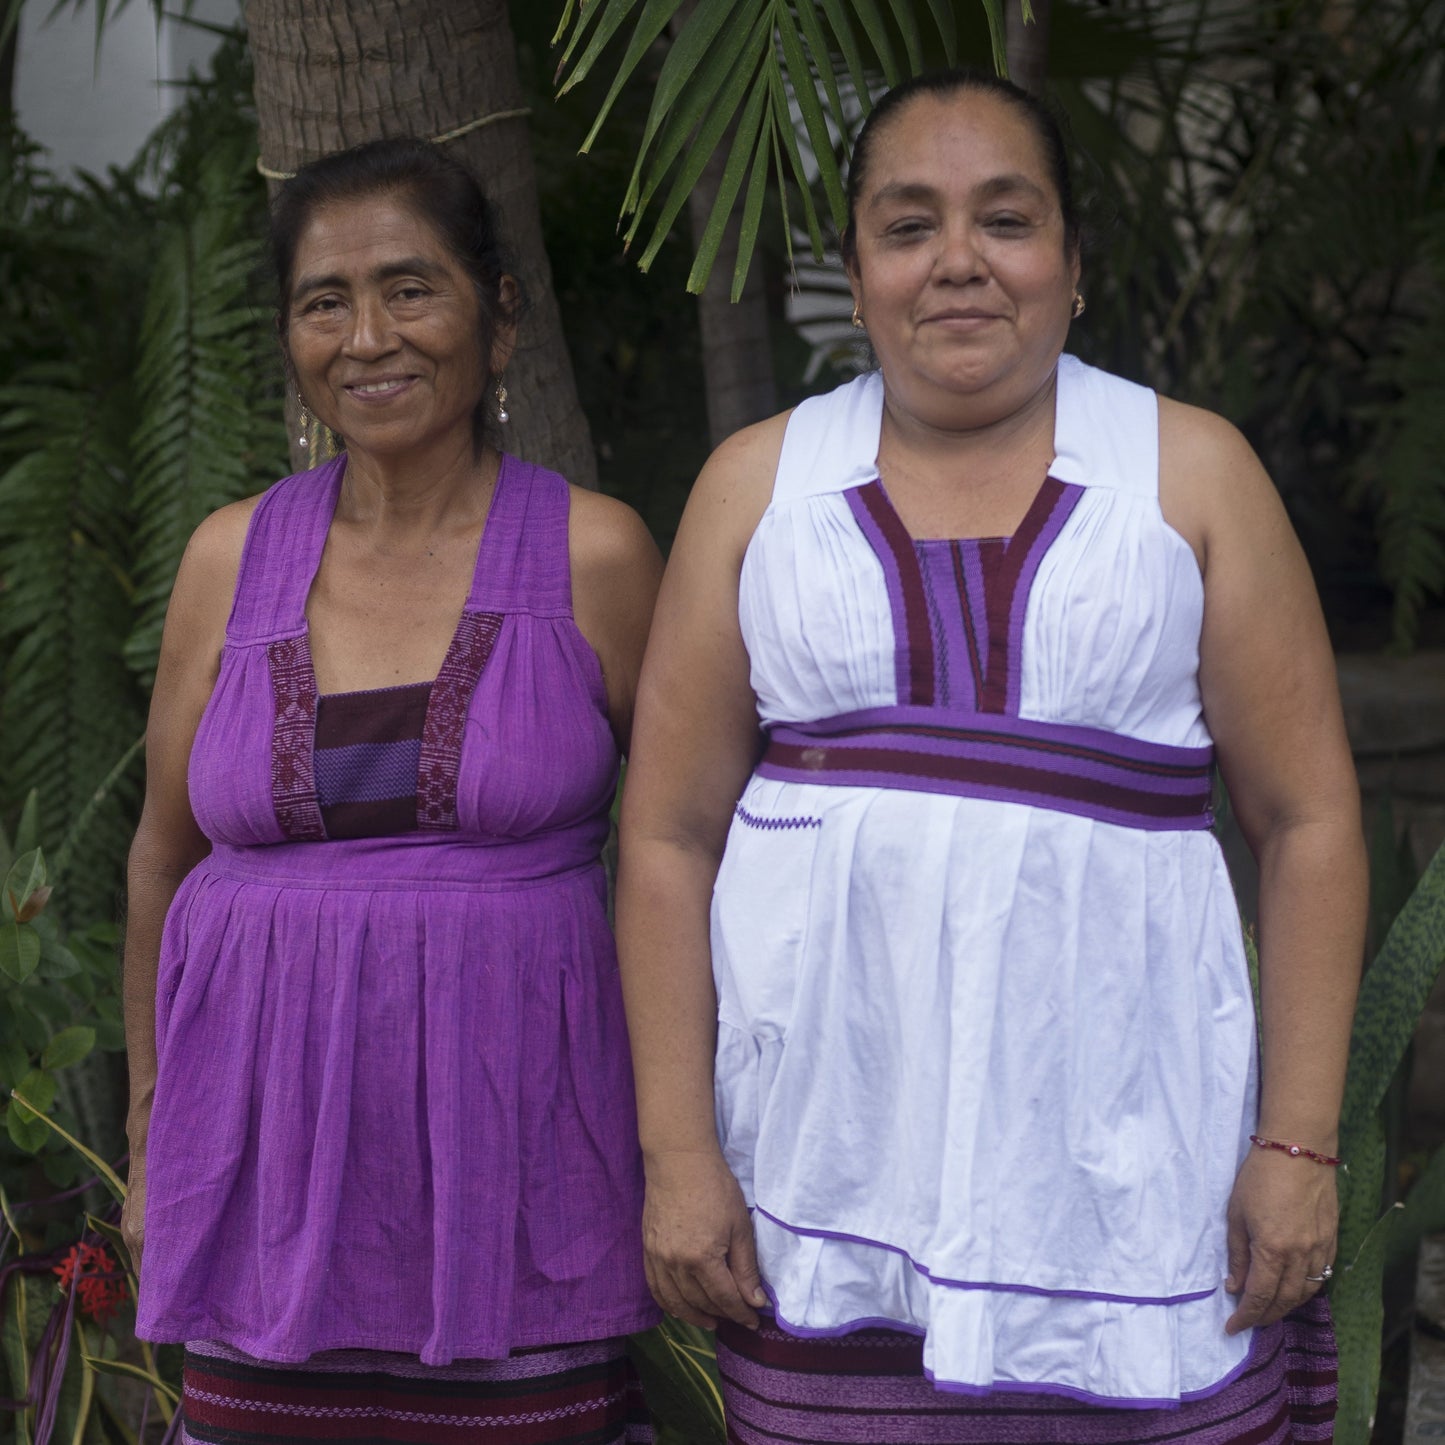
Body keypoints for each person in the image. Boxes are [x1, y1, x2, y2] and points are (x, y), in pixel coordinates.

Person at [617, 69, 1364, 1443]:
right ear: (854, 271)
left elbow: (1306, 815)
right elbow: (666, 835)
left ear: (1072, 263)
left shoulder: (1188, 476)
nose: (956, 260)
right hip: (822, 1183)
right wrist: (678, 1152)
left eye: (1003, 219)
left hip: (1132, 1184)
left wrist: (1295, 1143)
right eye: (908, 226)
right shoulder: (756, 487)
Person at [121, 137, 663, 1445]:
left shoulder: (595, 551)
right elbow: (159, 858)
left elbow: (685, 851)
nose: (368, 336)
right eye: (325, 300)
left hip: (520, 1172)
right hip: (256, 1176)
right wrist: (152, 1137)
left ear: (498, 312)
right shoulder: (228, 558)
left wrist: (687, 1144)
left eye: (410, 288)